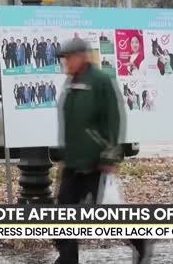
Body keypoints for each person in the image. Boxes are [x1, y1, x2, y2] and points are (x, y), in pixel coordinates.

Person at [55, 39, 152, 264]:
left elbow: (114, 119)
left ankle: (140, 241)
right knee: (62, 216)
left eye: (68, 58)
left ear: (81, 57)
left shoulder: (100, 82)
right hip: (73, 164)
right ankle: (67, 259)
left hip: (96, 163)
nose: (65, 63)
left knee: (109, 215)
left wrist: (110, 154)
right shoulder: (71, 84)